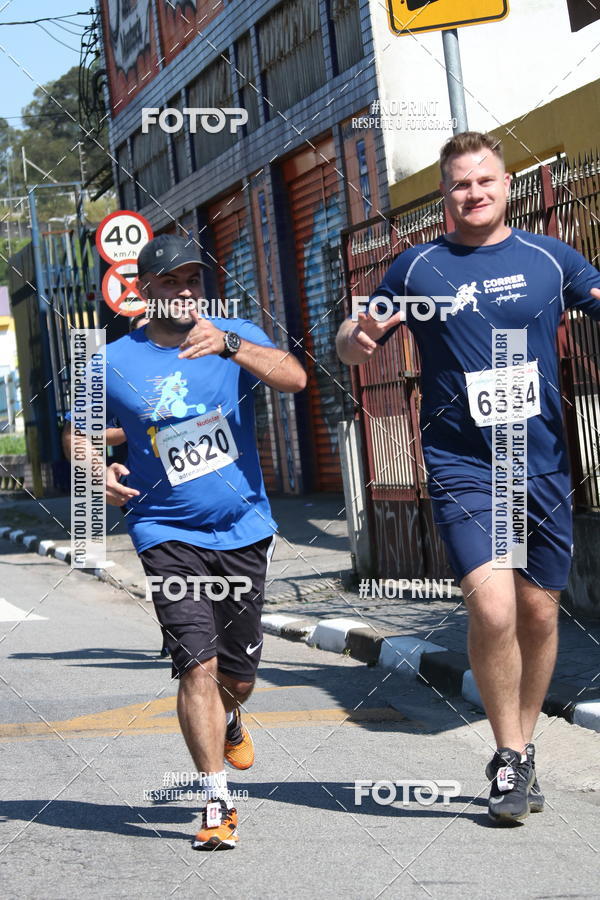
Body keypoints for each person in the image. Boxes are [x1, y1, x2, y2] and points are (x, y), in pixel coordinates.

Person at [336, 132, 600, 825]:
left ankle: (529, 746)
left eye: (485, 180)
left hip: (536, 459)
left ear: (507, 184)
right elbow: (356, 333)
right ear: (444, 194)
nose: (473, 192)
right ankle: (507, 754)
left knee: (541, 611)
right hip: (461, 461)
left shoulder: (551, 258)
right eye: (459, 183)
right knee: (492, 607)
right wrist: (352, 338)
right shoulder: (418, 267)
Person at [64, 233, 306, 848]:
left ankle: (231, 716)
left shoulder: (233, 335)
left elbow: (296, 379)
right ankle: (216, 800)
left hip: (245, 526)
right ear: (145, 292)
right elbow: (79, 434)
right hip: (165, 529)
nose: (184, 291)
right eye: (170, 282)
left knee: (238, 674)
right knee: (195, 662)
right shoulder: (112, 362)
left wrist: (232, 345)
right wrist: (97, 470)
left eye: (193, 280)